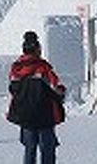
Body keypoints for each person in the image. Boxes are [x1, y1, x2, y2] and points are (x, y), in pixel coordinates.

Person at [7, 31, 65, 164]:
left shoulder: (16, 69)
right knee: (47, 150)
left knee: (29, 149)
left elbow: (12, 89)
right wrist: (61, 92)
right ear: (37, 49)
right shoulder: (43, 68)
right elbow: (56, 88)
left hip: (25, 115)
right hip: (44, 116)